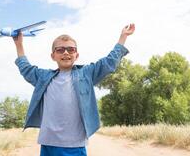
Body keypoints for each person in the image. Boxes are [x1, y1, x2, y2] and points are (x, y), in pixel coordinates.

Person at [13, 23, 135, 156]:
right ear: (53, 56)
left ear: (76, 55)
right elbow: (26, 68)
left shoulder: (86, 74)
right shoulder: (43, 77)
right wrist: (19, 44)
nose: (65, 52)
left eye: (70, 49)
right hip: (48, 143)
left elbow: (108, 63)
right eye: (60, 50)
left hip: (74, 144)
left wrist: (123, 37)